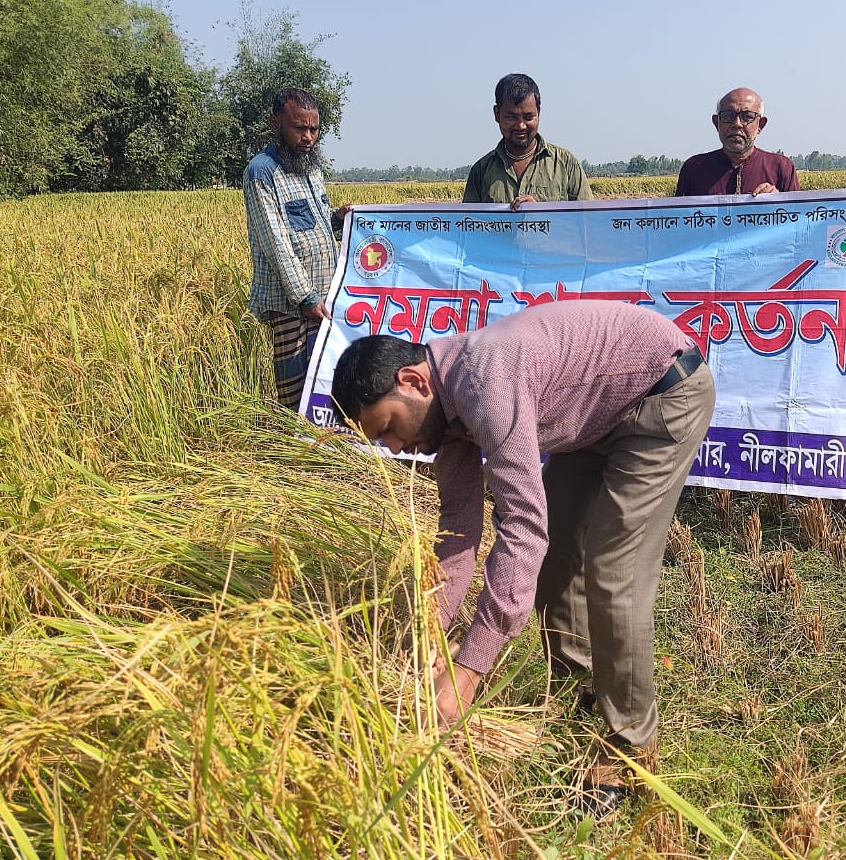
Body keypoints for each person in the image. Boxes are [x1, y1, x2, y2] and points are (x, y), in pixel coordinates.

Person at [330, 300, 715, 817]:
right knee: (557, 563)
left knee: (611, 573)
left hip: (661, 395)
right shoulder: (449, 420)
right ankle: (581, 696)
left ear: (413, 381)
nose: (396, 449)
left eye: (389, 428)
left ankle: (630, 751)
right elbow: (458, 536)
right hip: (594, 419)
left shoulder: (485, 381)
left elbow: (522, 531)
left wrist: (468, 671)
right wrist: (429, 630)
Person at [244, 87, 350, 411]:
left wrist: (341, 221)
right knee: (295, 393)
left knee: (324, 384)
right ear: (275, 123)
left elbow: (314, 225)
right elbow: (276, 244)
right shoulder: (262, 172)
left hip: (322, 301)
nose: (308, 137)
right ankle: (292, 455)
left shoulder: (311, 168)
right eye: (299, 128)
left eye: (314, 129)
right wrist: (305, 296)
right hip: (292, 305)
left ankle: (320, 451)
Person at [463, 73, 593, 208]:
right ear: (497, 114)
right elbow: (468, 224)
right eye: (511, 117)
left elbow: (587, 222)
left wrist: (539, 214)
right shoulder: (481, 171)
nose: (521, 126)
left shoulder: (566, 164)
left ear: (539, 112)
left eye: (528, 117)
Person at [674, 87, 800, 196]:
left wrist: (779, 201)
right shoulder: (695, 169)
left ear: (760, 125)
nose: (737, 124)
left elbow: (797, 219)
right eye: (728, 116)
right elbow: (679, 219)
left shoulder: (781, 168)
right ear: (716, 122)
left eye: (747, 117)